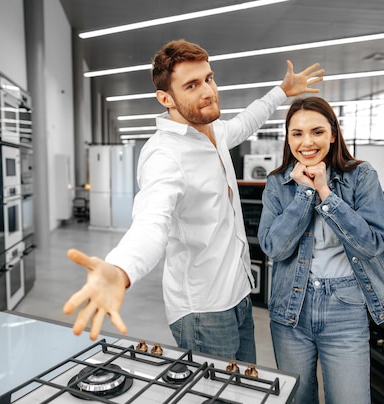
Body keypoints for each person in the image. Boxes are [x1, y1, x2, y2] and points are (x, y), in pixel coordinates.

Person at [63, 39, 324, 363]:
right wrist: (120, 268)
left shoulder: (211, 131)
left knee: (245, 394)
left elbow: (246, 121)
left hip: (238, 291)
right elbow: (152, 223)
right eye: (191, 85)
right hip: (204, 311)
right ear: (165, 98)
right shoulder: (164, 155)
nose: (208, 91)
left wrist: (281, 91)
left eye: (209, 79)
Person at [257, 96, 384, 404]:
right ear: (288, 138)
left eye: (316, 131)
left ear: (333, 134)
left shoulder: (362, 177)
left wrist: (326, 193)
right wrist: (304, 193)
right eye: (297, 133)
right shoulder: (278, 184)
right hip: (290, 310)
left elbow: (373, 243)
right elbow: (274, 247)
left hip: (346, 307)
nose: (307, 142)